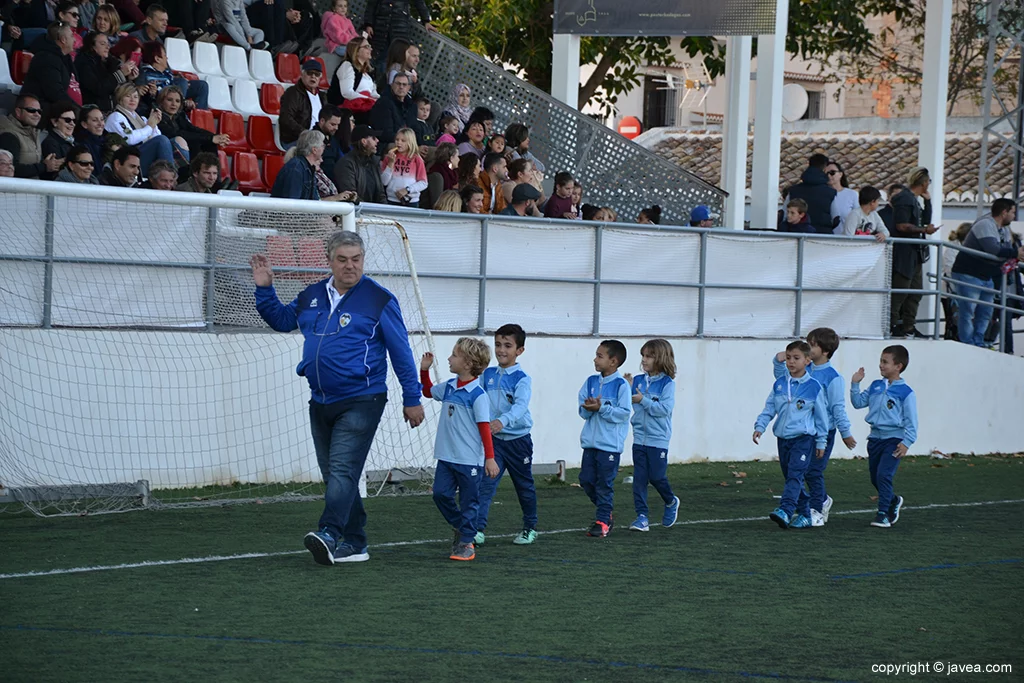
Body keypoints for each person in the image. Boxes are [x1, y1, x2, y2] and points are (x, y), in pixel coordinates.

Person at [252, 230, 425, 565]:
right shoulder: (312, 294)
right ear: (329, 261)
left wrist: (412, 397)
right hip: (320, 401)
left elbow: (401, 352)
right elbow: (282, 320)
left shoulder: (379, 299)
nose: (350, 266)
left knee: (343, 470)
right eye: (343, 260)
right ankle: (356, 542)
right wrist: (264, 289)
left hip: (363, 398)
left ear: (363, 260)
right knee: (335, 475)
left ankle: (329, 533)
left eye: (356, 259)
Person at [418, 340, 498, 562]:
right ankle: (461, 527)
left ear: (469, 363)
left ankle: (466, 543)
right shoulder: (450, 386)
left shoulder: (478, 395)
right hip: (446, 456)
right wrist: (424, 370)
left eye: (454, 355)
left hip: (469, 459)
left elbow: (484, 428)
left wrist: (489, 458)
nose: (449, 359)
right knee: (440, 494)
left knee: (469, 501)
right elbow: (427, 392)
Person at [771, 328, 855, 527]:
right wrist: (778, 360)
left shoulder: (833, 377)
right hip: (804, 432)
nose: (808, 346)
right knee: (798, 471)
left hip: (824, 431)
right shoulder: (804, 369)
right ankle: (816, 502)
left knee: (813, 472)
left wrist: (846, 433)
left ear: (825, 351)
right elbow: (781, 379)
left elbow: (837, 408)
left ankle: (817, 509)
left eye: (813, 344)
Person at [753, 340, 828, 530]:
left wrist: (821, 442)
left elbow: (821, 418)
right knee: (791, 477)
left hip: (804, 439)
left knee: (795, 474)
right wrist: (760, 426)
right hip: (783, 439)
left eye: (796, 358)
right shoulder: (780, 384)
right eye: (788, 358)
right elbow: (770, 408)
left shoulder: (814, 386)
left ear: (807, 361)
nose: (791, 362)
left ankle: (785, 510)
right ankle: (805, 514)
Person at [474, 324, 538, 546]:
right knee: (485, 485)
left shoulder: (522, 378)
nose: (501, 350)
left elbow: (520, 407)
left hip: (518, 442)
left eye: (508, 346)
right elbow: (477, 397)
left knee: (524, 487)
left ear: (519, 350)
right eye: (498, 345)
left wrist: (503, 421)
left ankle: (530, 527)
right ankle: (477, 529)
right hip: (495, 443)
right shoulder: (488, 374)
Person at [850, 345, 917, 528]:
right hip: (874, 440)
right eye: (880, 361)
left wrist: (907, 442)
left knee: (884, 475)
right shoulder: (875, 386)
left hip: (894, 440)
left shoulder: (906, 392)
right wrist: (855, 384)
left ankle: (882, 515)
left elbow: (912, 421)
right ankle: (893, 500)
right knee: (875, 478)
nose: (880, 365)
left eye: (885, 362)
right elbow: (857, 403)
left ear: (898, 366)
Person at [621, 339, 680, 533]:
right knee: (639, 479)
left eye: (649, 356)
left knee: (657, 477)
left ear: (661, 358)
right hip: (639, 438)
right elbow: (628, 401)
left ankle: (671, 501)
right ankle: (642, 517)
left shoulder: (667, 384)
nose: (644, 360)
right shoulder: (638, 380)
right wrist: (627, 386)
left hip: (658, 439)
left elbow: (663, 409)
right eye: (643, 356)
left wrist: (642, 400)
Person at [950, 199, 1023, 348]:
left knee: (985, 312)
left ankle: (979, 342)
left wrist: (1014, 254)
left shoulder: (1003, 229)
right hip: (969, 273)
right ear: (1004, 212)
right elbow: (993, 249)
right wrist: (1016, 253)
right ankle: (967, 343)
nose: (1014, 216)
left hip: (986, 275)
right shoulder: (985, 224)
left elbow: (1004, 251)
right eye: (1013, 212)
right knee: (968, 311)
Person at [578, 339, 631, 538]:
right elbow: (582, 412)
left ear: (613, 362)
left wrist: (602, 408)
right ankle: (605, 511)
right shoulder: (591, 382)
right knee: (586, 480)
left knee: (604, 484)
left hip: (610, 446)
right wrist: (589, 408)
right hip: (590, 444)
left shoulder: (621, 385)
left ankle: (602, 522)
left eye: (600, 356)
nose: (595, 359)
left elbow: (624, 413)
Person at [890, 167, 939, 338]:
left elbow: (924, 221)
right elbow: (901, 225)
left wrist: (928, 203)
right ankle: (893, 325)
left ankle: (908, 326)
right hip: (905, 253)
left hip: (915, 253)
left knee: (915, 291)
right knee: (900, 291)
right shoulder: (904, 199)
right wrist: (924, 230)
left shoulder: (914, 200)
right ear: (924, 182)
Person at [104, 82, 174, 176]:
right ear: (120, 98)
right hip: (128, 159)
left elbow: (156, 137)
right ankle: (170, 176)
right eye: (128, 96)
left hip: (140, 155)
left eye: (136, 97)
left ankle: (170, 177)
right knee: (162, 141)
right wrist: (149, 127)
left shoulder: (141, 119)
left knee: (176, 141)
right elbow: (129, 138)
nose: (132, 100)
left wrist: (154, 124)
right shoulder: (116, 117)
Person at [135, 40, 210, 114]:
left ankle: (200, 116)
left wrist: (180, 80)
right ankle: (178, 110)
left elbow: (171, 82)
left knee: (202, 85)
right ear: (157, 59)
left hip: (173, 93)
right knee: (182, 82)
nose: (167, 58)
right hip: (163, 99)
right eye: (164, 55)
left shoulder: (166, 72)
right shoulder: (146, 73)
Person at [361, 0, 434, 75]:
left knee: (394, 61)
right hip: (381, 26)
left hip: (399, 28)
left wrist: (426, 21)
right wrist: (368, 24)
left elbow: (419, 2)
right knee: (377, 57)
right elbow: (371, 4)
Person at [156, 86, 229, 161]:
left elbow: (193, 129)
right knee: (195, 143)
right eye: (169, 100)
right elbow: (177, 133)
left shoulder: (179, 116)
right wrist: (210, 138)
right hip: (166, 151)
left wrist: (215, 137)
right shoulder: (156, 116)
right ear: (161, 101)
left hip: (182, 147)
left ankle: (212, 171)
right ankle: (193, 172)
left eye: (177, 101)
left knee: (210, 144)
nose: (174, 104)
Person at [21, 21, 77, 116]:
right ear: (63, 40)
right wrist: (78, 110)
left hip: (55, 111)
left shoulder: (65, 59)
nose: (75, 40)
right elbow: (55, 93)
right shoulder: (46, 59)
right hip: (39, 113)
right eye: (71, 36)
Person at [0, 94, 61, 179]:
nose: (37, 114)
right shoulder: (9, 135)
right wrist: (44, 166)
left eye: (39, 111)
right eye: (31, 110)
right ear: (18, 112)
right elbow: (11, 169)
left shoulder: (33, 132)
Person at [76, 31, 137, 113]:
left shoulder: (110, 63)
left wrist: (129, 78)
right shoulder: (84, 63)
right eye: (102, 44)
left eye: (108, 44)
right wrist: (121, 74)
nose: (107, 47)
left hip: (112, 111)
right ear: (92, 46)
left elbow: (117, 90)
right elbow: (98, 88)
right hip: (95, 113)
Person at [326, 37, 379, 117]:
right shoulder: (347, 66)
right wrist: (368, 99)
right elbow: (347, 93)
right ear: (356, 51)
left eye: (370, 46)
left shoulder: (368, 72)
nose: (370, 49)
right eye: (366, 47)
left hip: (364, 109)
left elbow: (373, 93)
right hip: (346, 112)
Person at [333, 124, 386, 204]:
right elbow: (351, 196)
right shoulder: (346, 164)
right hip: (355, 213)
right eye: (374, 138)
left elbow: (381, 194)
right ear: (364, 141)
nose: (377, 140)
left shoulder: (375, 161)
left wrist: (385, 212)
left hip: (375, 212)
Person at [786, 153, 836, 234]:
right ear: (824, 168)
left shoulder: (793, 191)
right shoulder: (831, 193)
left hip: (795, 236)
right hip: (822, 237)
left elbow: (786, 214)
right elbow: (836, 217)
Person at [279, 59, 325, 148]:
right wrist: (305, 133)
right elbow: (286, 119)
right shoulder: (292, 93)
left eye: (317, 74)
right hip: (296, 139)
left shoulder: (323, 97)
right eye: (309, 73)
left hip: (317, 139)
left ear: (320, 77)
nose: (313, 77)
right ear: (302, 74)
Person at [368, 70, 416, 149]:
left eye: (404, 84)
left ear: (409, 88)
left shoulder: (412, 106)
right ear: (392, 85)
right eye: (398, 84)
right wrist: (406, 141)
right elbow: (385, 133)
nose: (401, 87)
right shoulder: (384, 103)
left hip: (406, 142)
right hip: (385, 144)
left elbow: (414, 128)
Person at [271, 128, 323, 200]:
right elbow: (291, 204)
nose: (324, 148)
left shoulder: (308, 168)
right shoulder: (295, 169)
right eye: (322, 146)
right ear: (314, 150)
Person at [380, 127, 426, 206]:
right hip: (392, 199)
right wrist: (390, 164)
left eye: (403, 141)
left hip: (411, 200)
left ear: (410, 142)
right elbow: (384, 182)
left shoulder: (417, 159)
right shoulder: (389, 157)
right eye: (397, 140)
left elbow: (423, 183)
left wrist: (408, 190)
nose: (399, 143)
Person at [40, 101, 78, 180]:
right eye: (67, 120)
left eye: (74, 121)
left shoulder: (73, 143)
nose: (72, 124)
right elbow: (57, 174)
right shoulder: (50, 143)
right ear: (54, 121)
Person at [75, 104, 106, 179]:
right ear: (84, 124)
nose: (100, 124)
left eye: (102, 119)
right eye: (95, 120)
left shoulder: (106, 140)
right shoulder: (82, 145)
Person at [826, 159, 858, 235]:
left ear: (840, 174)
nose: (828, 176)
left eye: (832, 173)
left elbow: (858, 216)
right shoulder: (821, 194)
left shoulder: (852, 194)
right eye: (825, 173)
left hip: (847, 239)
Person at [315, 106, 346, 174]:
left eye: (338, 125)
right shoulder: (312, 139)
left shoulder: (333, 139)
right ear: (322, 121)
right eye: (333, 124)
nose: (336, 128)